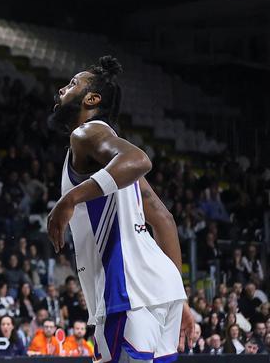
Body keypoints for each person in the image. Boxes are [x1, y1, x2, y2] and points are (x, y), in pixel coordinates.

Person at [47, 57, 193, 363]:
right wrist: (181, 299)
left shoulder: (85, 133)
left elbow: (140, 159)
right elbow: (164, 219)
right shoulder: (112, 163)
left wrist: (68, 199)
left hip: (127, 293)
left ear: (92, 99)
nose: (62, 88)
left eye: (73, 84)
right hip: (163, 290)